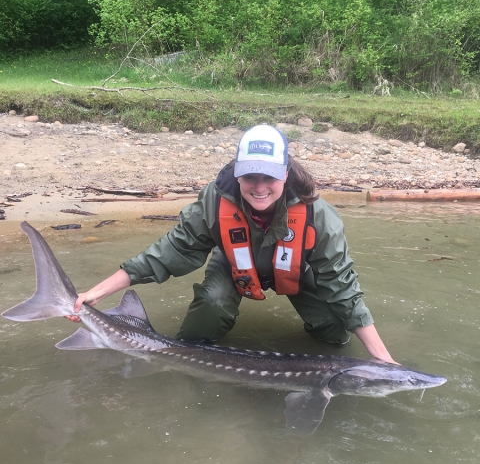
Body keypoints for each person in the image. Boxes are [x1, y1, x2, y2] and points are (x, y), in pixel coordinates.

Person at [67, 124, 396, 364]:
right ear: (237, 173)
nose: (260, 186)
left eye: (269, 176)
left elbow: (343, 289)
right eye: (250, 176)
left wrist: (383, 360)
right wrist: (96, 293)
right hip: (236, 266)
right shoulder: (215, 201)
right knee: (198, 333)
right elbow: (169, 252)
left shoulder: (319, 217)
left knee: (337, 335)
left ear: (286, 173)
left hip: (295, 271)